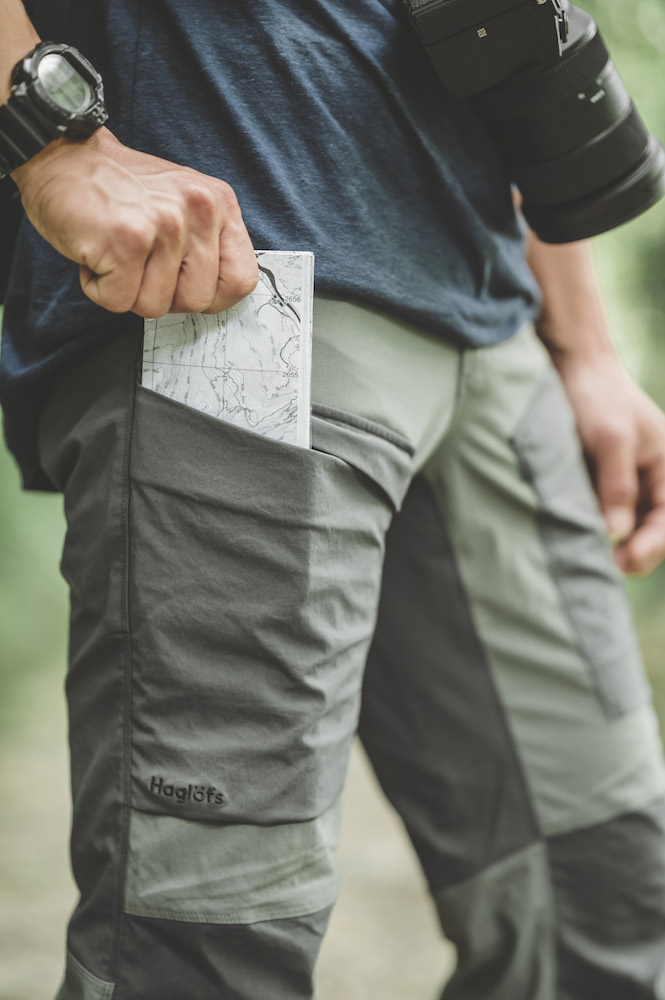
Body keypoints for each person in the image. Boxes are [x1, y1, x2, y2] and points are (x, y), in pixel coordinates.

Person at [2, 1, 665, 998]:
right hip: (233, 298)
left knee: (597, 901)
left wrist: (585, 348)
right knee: (209, 941)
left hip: (495, 329)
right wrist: (51, 141)